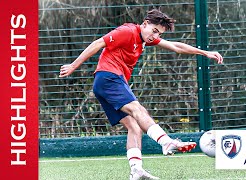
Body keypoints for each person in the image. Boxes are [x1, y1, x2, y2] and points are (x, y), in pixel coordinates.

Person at [59, 9, 223, 180]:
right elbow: (98, 43)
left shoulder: (144, 39)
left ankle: (136, 170)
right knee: (138, 109)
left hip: (106, 83)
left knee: (134, 127)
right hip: (108, 77)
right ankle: (166, 142)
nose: (155, 35)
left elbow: (176, 47)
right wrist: (73, 65)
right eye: (154, 30)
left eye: (158, 33)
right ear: (144, 23)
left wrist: (204, 52)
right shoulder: (128, 31)